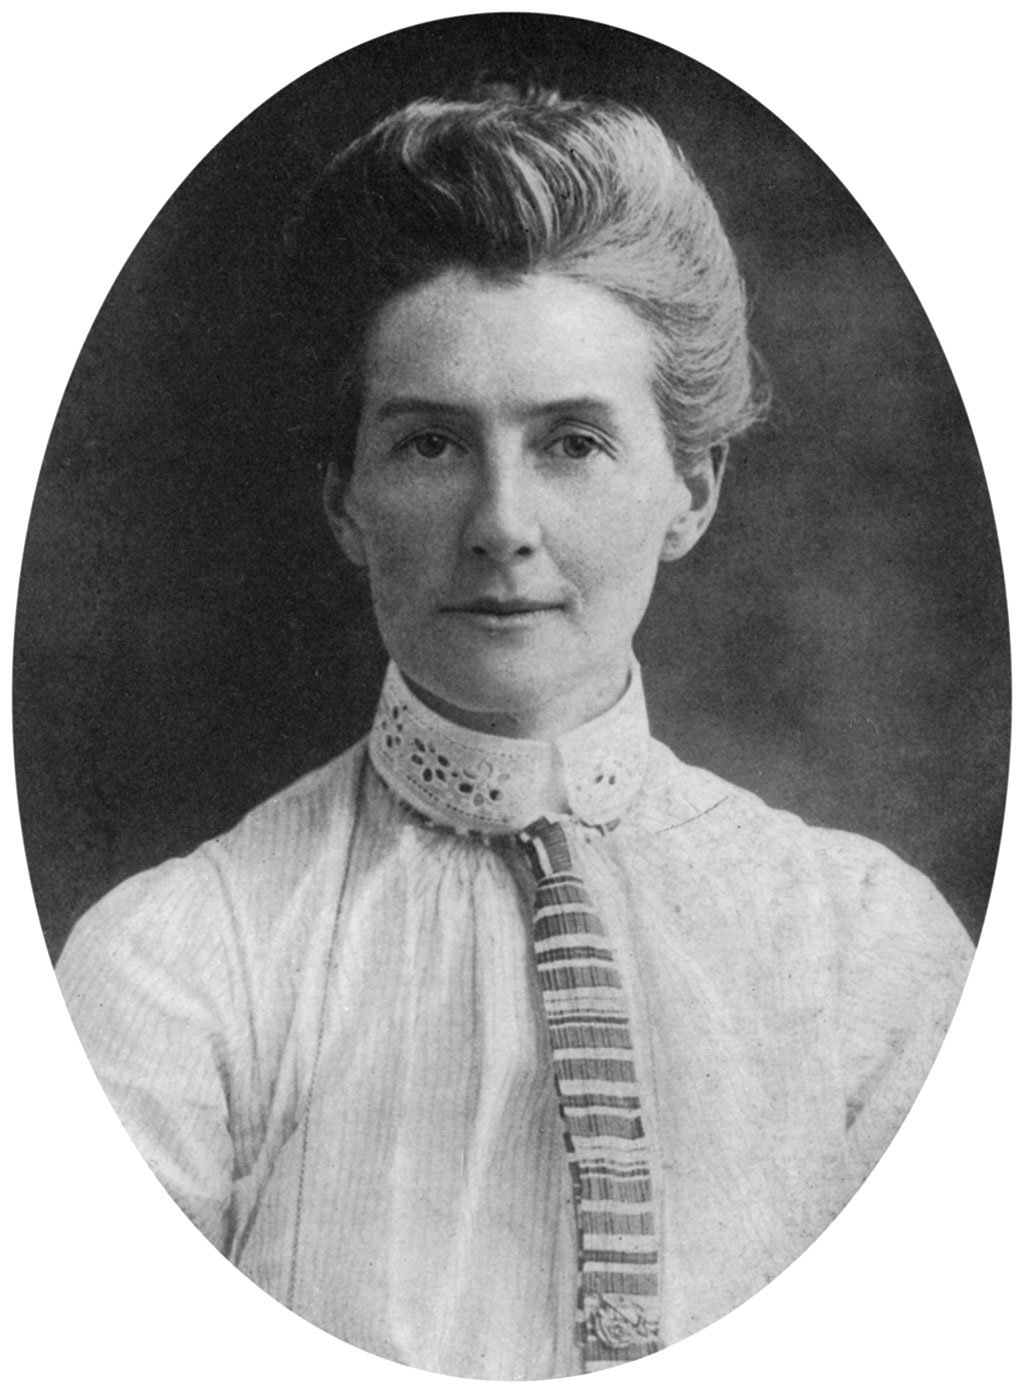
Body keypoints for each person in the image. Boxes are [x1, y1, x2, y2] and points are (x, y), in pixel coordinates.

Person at [56, 87, 973, 1379]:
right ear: (344, 499)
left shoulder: (871, 953)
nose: (500, 523)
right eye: (431, 443)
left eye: (574, 443)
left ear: (690, 491)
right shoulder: (181, 967)